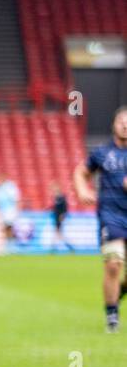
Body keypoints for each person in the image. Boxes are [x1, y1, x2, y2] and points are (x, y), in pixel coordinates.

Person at [73, 106, 127, 333]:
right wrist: (82, 191)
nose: (125, 125)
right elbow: (80, 172)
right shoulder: (102, 153)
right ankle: (112, 315)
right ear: (114, 125)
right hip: (111, 215)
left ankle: (118, 292)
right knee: (113, 265)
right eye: (121, 121)